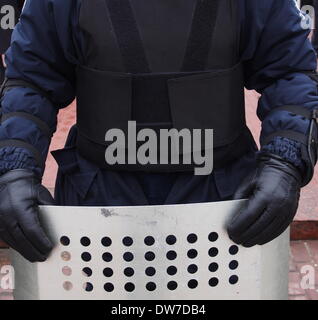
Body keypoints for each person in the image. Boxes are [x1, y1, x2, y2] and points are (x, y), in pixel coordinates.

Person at [0, 0, 317, 263]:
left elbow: (289, 74)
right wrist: (14, 170)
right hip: (100, 205)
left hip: (222, 205)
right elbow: (32, 81)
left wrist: (284, 163)